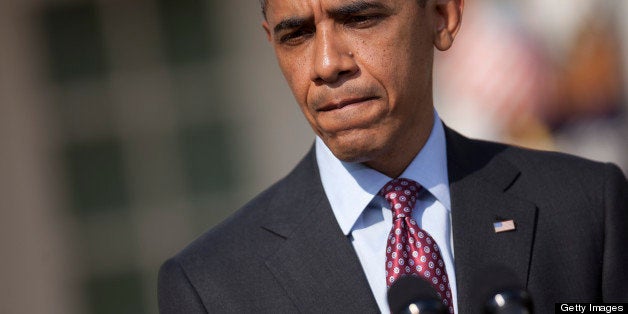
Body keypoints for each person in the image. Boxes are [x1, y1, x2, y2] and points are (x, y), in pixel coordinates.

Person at [158, 0, 628, 313]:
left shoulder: (586, 208)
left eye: (360, 18)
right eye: (296, 35)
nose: (326, 63)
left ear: (442, 16)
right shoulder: (211, 287)